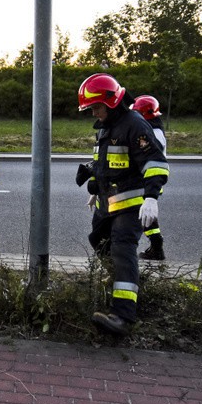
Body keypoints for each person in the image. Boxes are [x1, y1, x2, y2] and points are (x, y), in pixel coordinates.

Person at [76, 73, 169, 335]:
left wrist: (151, 197)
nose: (94, 113)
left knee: (122, 247)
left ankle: (123, 317)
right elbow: (104, 163)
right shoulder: (105, 127)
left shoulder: (135, 125)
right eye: (91, 109)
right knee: (97, 240)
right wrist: (93, 184)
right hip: (108, 201)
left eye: (96, 107)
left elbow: (155, 163)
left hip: (132, 201)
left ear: (111, 102)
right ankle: (124, 277)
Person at [131, 95, 167, 260]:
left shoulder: (151, 133)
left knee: (142, 215)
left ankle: (156, 246)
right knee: (147, 216)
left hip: (148, 180)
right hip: (151, 180)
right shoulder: (156, 130)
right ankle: (156, 245)